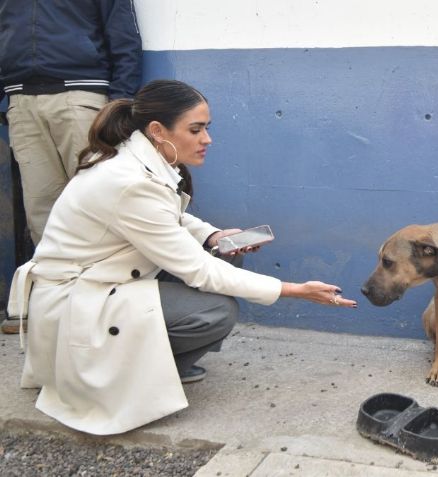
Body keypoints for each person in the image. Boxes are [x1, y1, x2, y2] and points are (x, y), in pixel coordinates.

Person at [6, 79, 358, 436]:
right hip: (75, 306)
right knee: (215, 311)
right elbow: (198, 269)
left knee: (222, 256)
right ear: (158, 131)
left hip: (100, 285)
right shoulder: (128, 181)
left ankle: (152, 360)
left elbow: (167, 214)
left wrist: (213, 235)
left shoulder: (136, 159)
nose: (207, 139)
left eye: (207, 128)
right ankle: (138, 373)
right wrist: (294, 290)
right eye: (196, 129)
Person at [0, 0, 143, 334]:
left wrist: (118, 106)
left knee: (98, 206)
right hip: (21, 103)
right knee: (41, 210)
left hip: (82, 97)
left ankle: (108, 305)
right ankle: (55, 305)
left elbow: (125, 39)